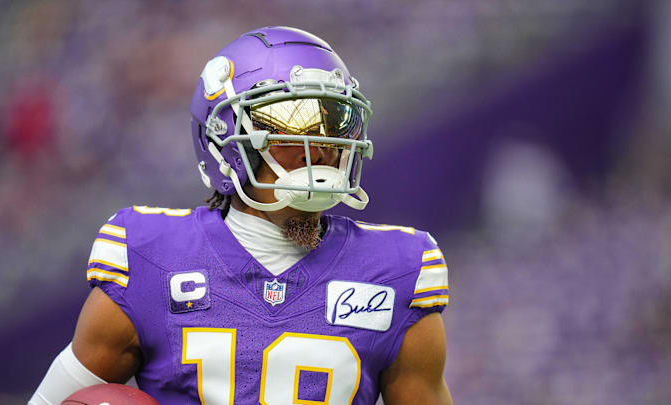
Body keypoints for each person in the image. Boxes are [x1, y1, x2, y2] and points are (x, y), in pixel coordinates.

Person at [29, 26, 453, 405]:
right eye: (296, 121)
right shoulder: (150, 258)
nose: (323, 146)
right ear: (228, 142)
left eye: (336, 122)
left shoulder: (396, 271)